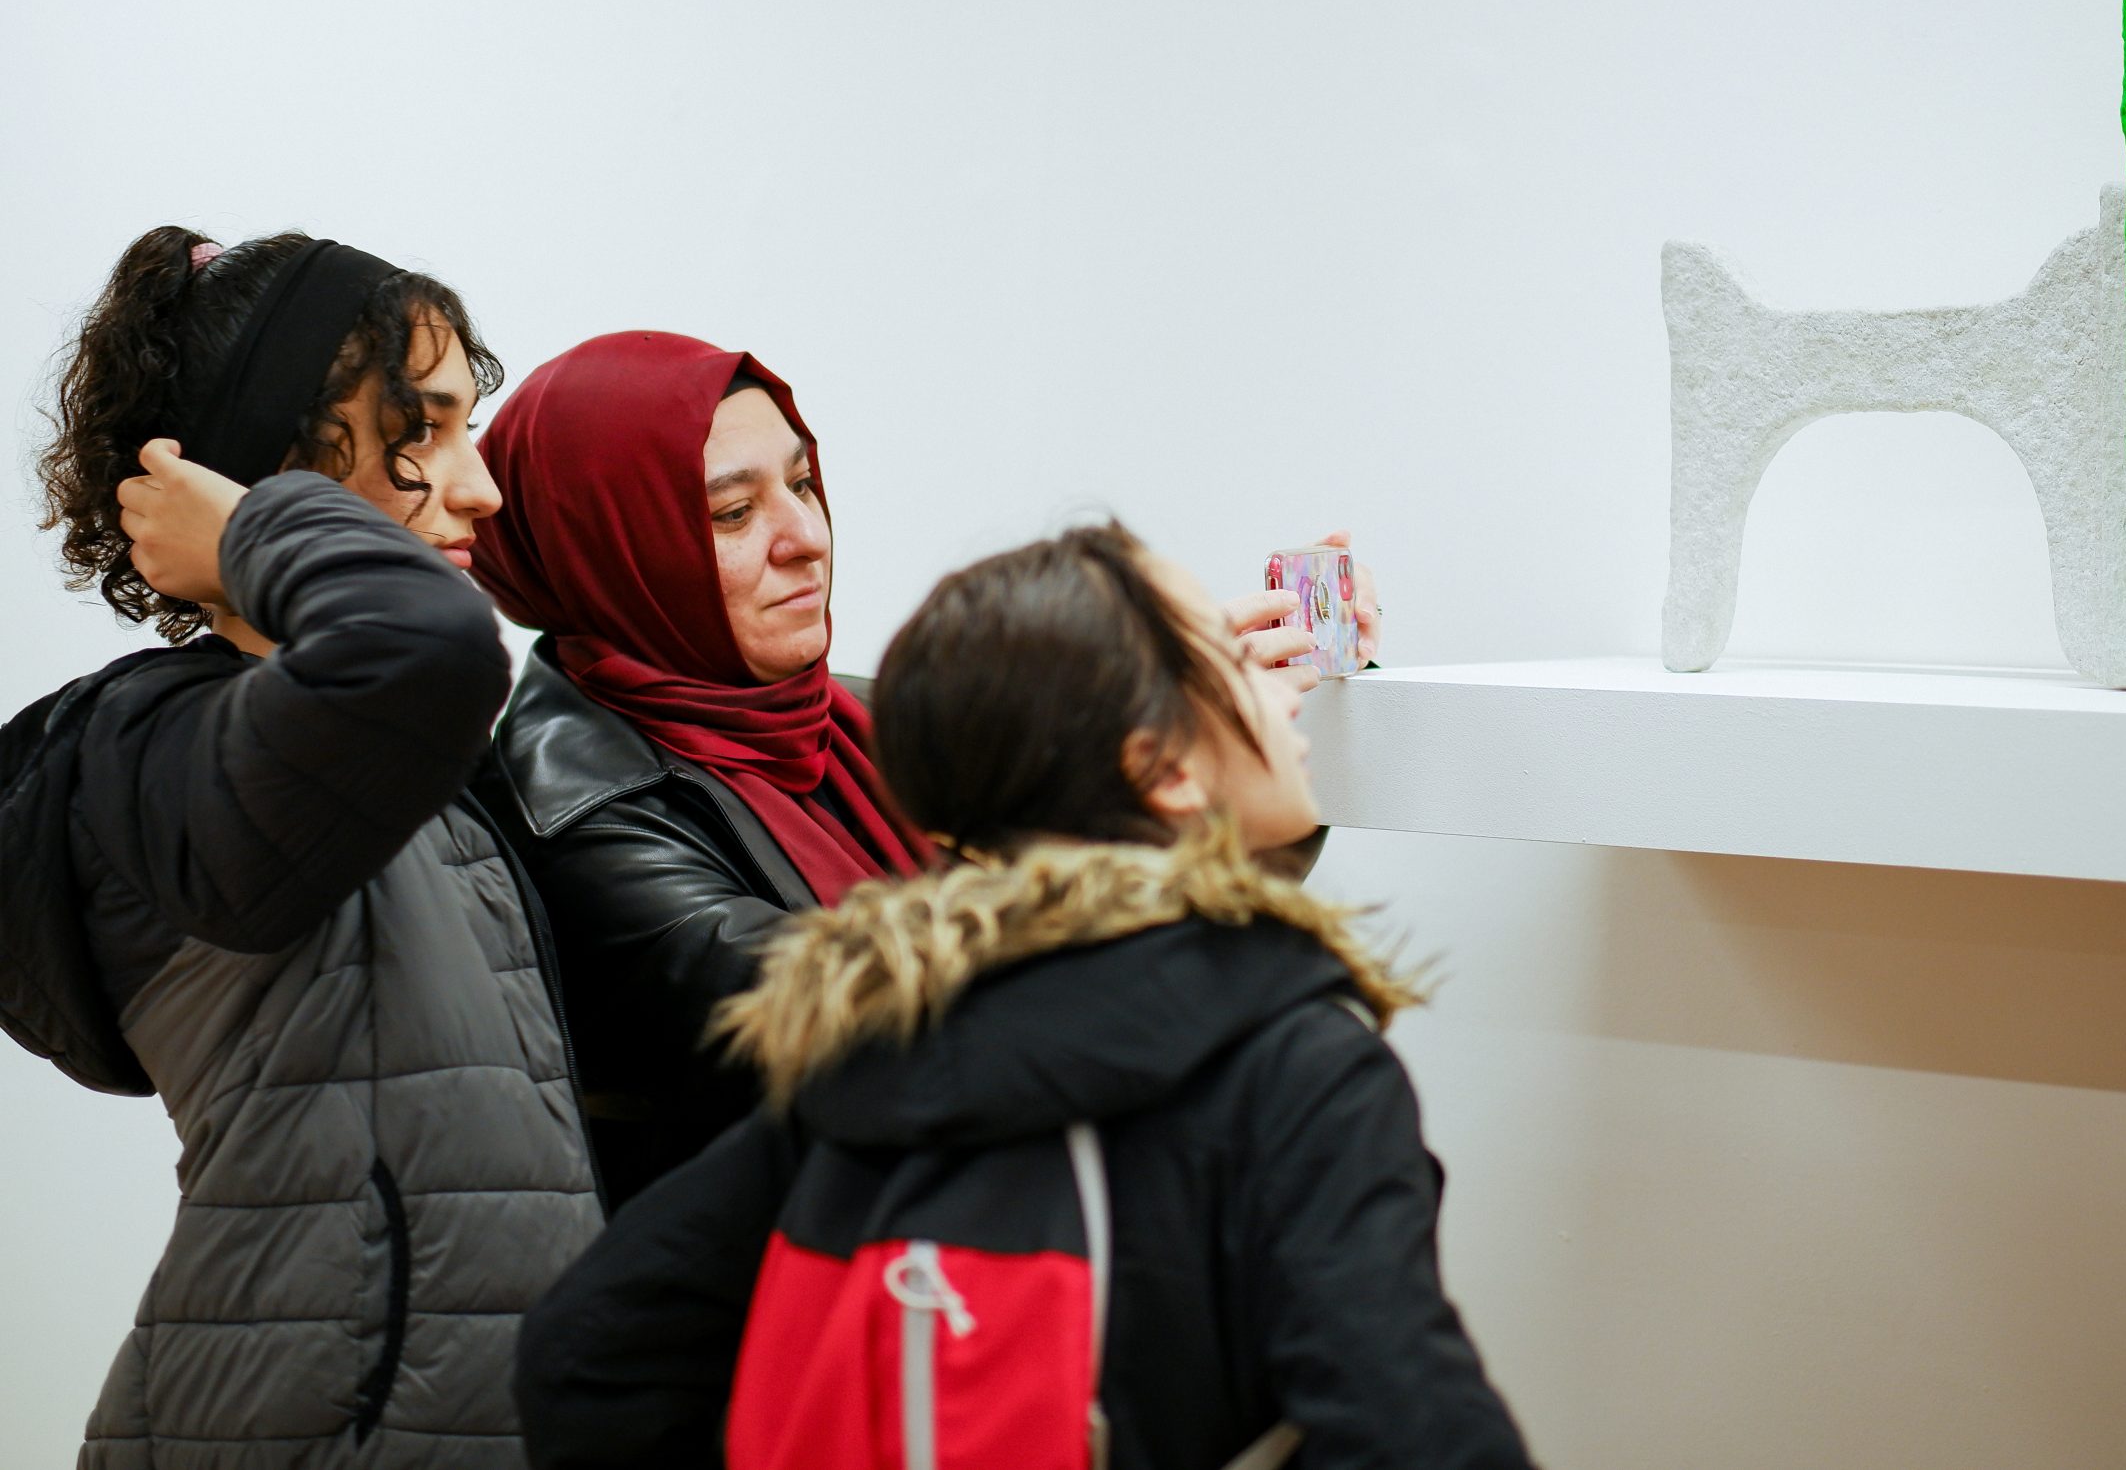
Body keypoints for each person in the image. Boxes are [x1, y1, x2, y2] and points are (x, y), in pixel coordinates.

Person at [514, 522, 1532, 1470]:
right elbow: (1416, 1434)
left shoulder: (878, 1047)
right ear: (1162, 770)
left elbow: (584, 1356)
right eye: (1235, 670)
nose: (1282, 709)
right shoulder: (1296, 1067)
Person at [467, 331, 1381, 1209]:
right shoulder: (581, 817)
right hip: (807, 1319)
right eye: (733, 512)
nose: (805, 537)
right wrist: (1159, 741)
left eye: (803, 483)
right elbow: (906, 1021)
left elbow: (1113, 889)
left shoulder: (856, 716)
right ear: (610, 548)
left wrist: (1236, 720)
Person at [0, 227, 602, 1468]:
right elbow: (426, 645)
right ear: (266, 473)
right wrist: (248, 535)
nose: (480, 488)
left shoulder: (405, 764)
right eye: (418, 434)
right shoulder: (154, 744)